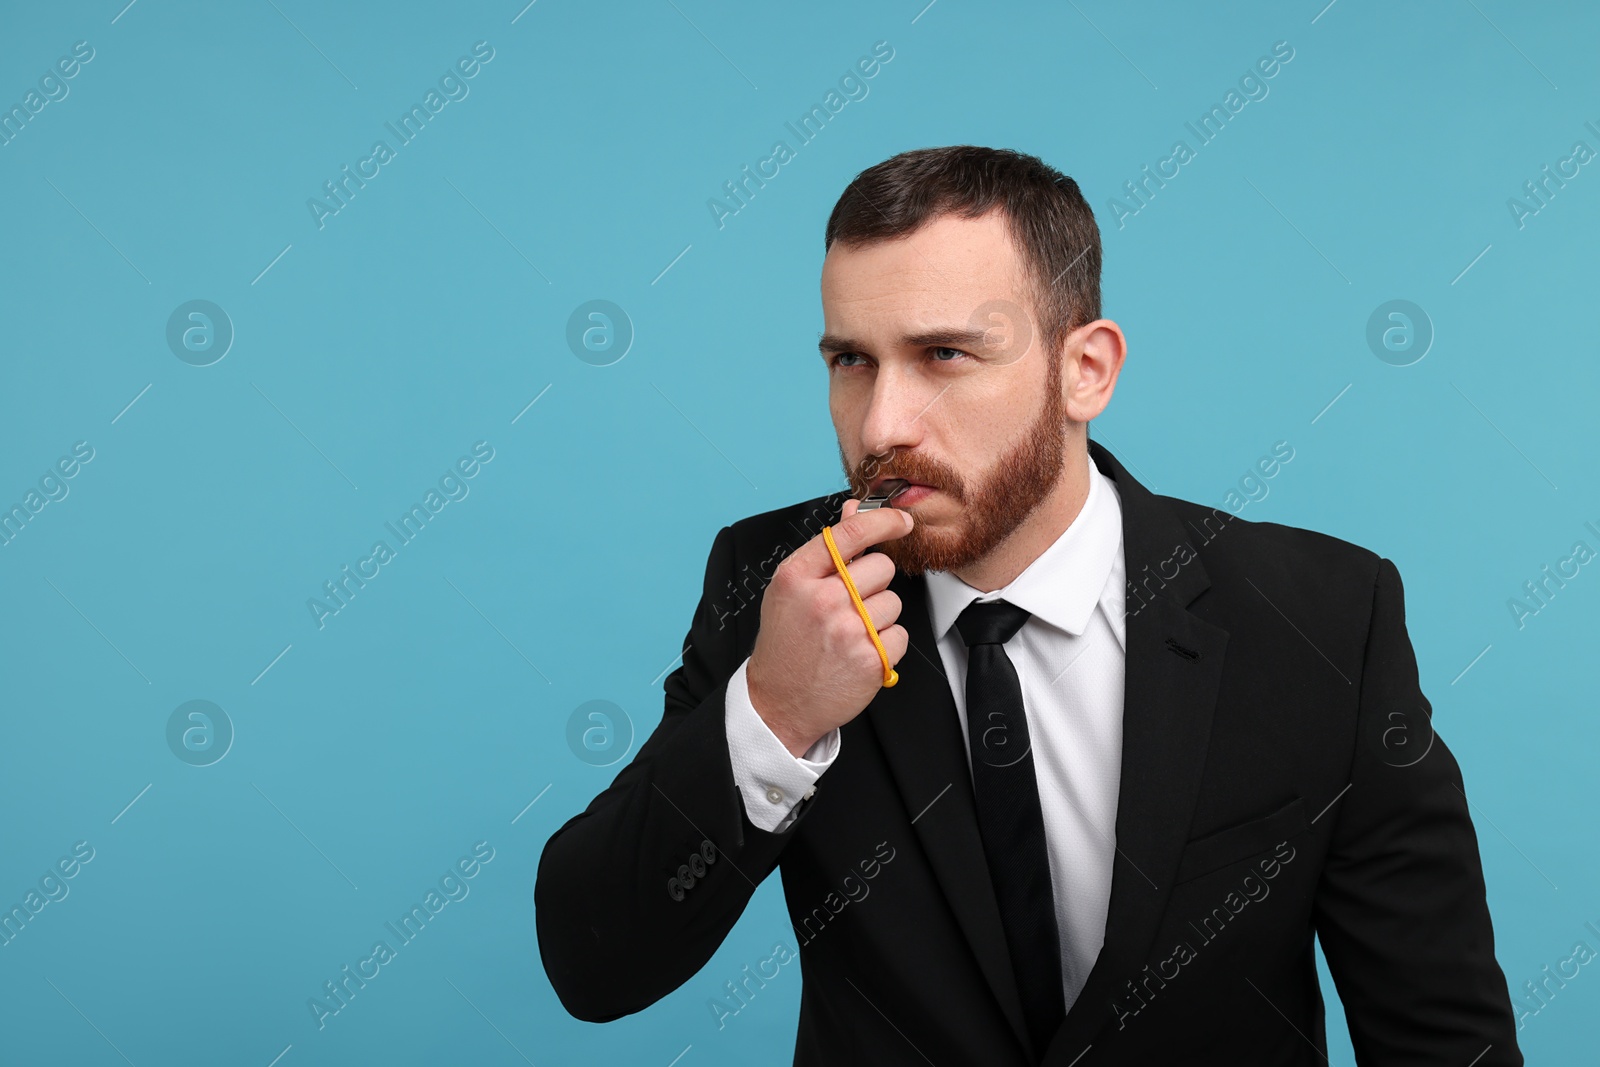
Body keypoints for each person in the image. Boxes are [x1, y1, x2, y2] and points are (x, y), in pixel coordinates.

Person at [534, 145, 1522, 1065]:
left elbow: (1442, 1038)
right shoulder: (779, 583)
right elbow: (596, 960)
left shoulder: (1321, 618)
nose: (881, 424)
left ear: (1083, 369)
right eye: (852, 360)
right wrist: (773, 713)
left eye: (944, 356)